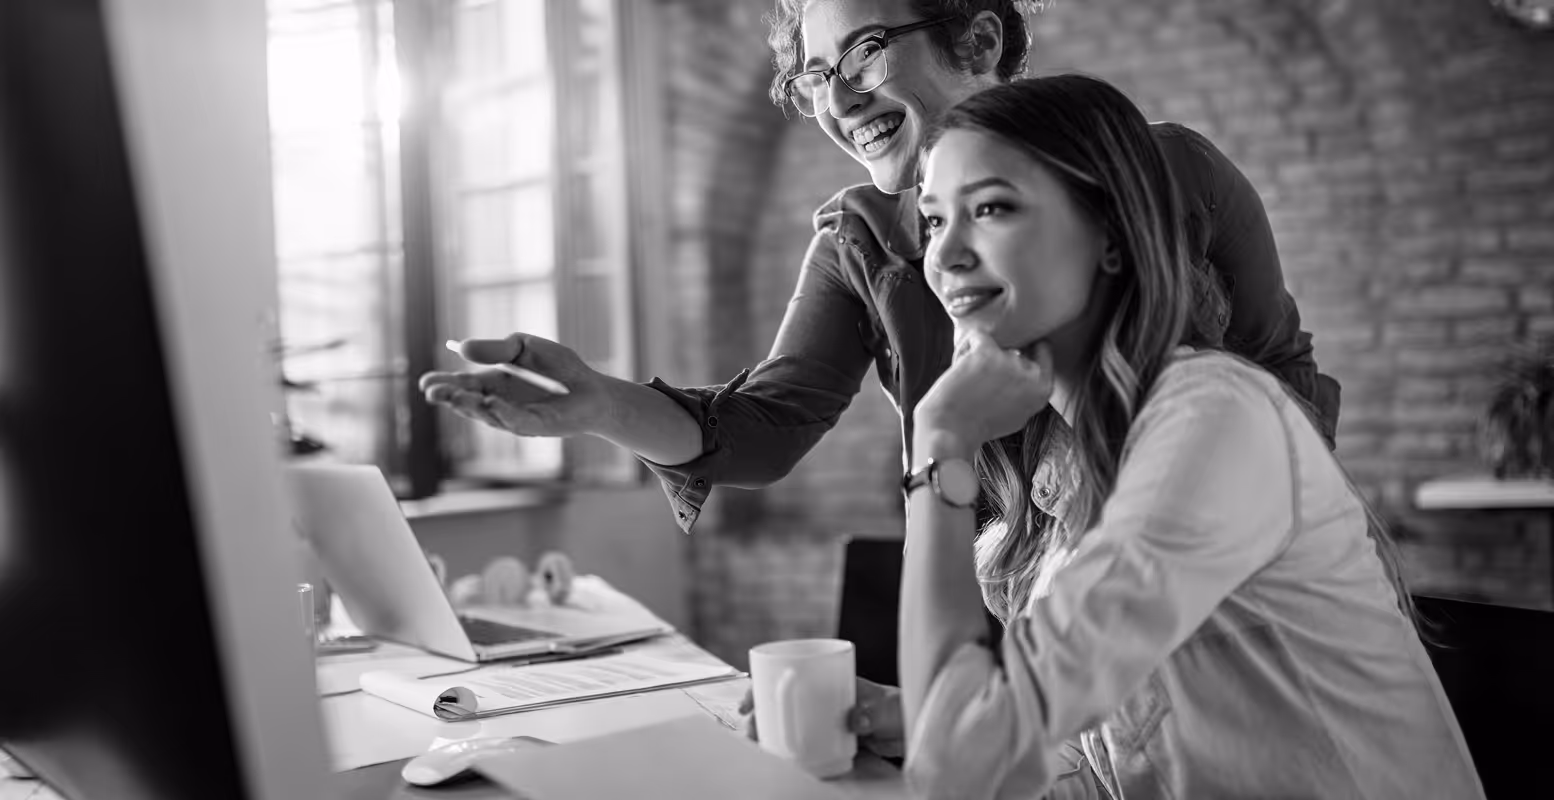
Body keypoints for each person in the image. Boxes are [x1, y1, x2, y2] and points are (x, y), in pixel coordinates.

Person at [418, 0, 1338, 763]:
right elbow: (765, 427)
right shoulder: (863, 241)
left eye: (861, 51)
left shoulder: (1165, 189)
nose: (837, 95)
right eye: (814, 75)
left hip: (1225, 644)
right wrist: (601, 406)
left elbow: (1277, 400)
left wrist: (1222, 525)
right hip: (1066, 683)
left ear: (978, 40)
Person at [895, 74, 1481, 798]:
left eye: (989, 208)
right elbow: (1105, 760)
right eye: (932, 220)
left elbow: (950, 768)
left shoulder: (1214, 419)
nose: (945, 256)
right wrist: (938, 718)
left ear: (1110, 235)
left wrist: (939, 443)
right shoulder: (1063, 470)